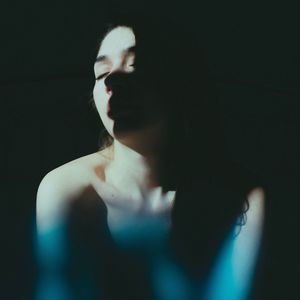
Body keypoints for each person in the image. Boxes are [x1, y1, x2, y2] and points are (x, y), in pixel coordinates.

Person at [35, 13, 265, 300]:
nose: (113, 81)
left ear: (179, 82)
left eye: (135, 65)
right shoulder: (67, 190)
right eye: (101, 73)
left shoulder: (242, 200)